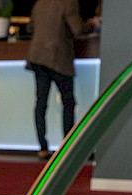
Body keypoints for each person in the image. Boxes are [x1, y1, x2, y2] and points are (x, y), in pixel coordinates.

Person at [25, 0, 93, 159]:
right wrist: (91, 25)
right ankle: (67, 147)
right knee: (68, 103)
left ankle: (42, 147)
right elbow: (77, 29)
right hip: (58, 57)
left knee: (41, 103)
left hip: (37, 56)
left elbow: (30, 28)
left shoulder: (39, 3)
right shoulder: (68, 2)